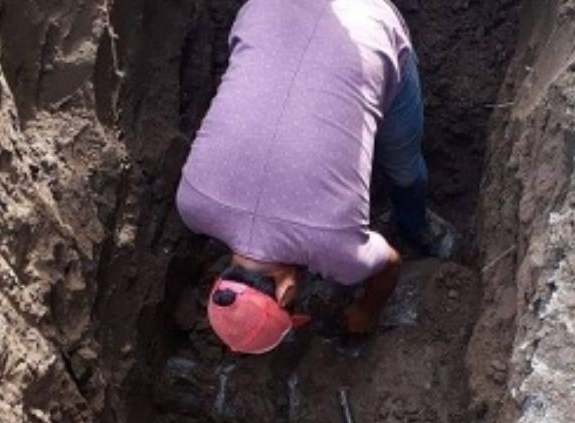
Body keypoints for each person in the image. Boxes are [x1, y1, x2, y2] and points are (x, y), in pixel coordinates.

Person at [176, 0, 450, 354]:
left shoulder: (335, 247)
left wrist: (367, 310)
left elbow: (389, 264)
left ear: (286, 292)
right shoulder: (191, 202)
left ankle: (416, 225)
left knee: (403, 166)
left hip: (368, 24)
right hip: (264, 13)